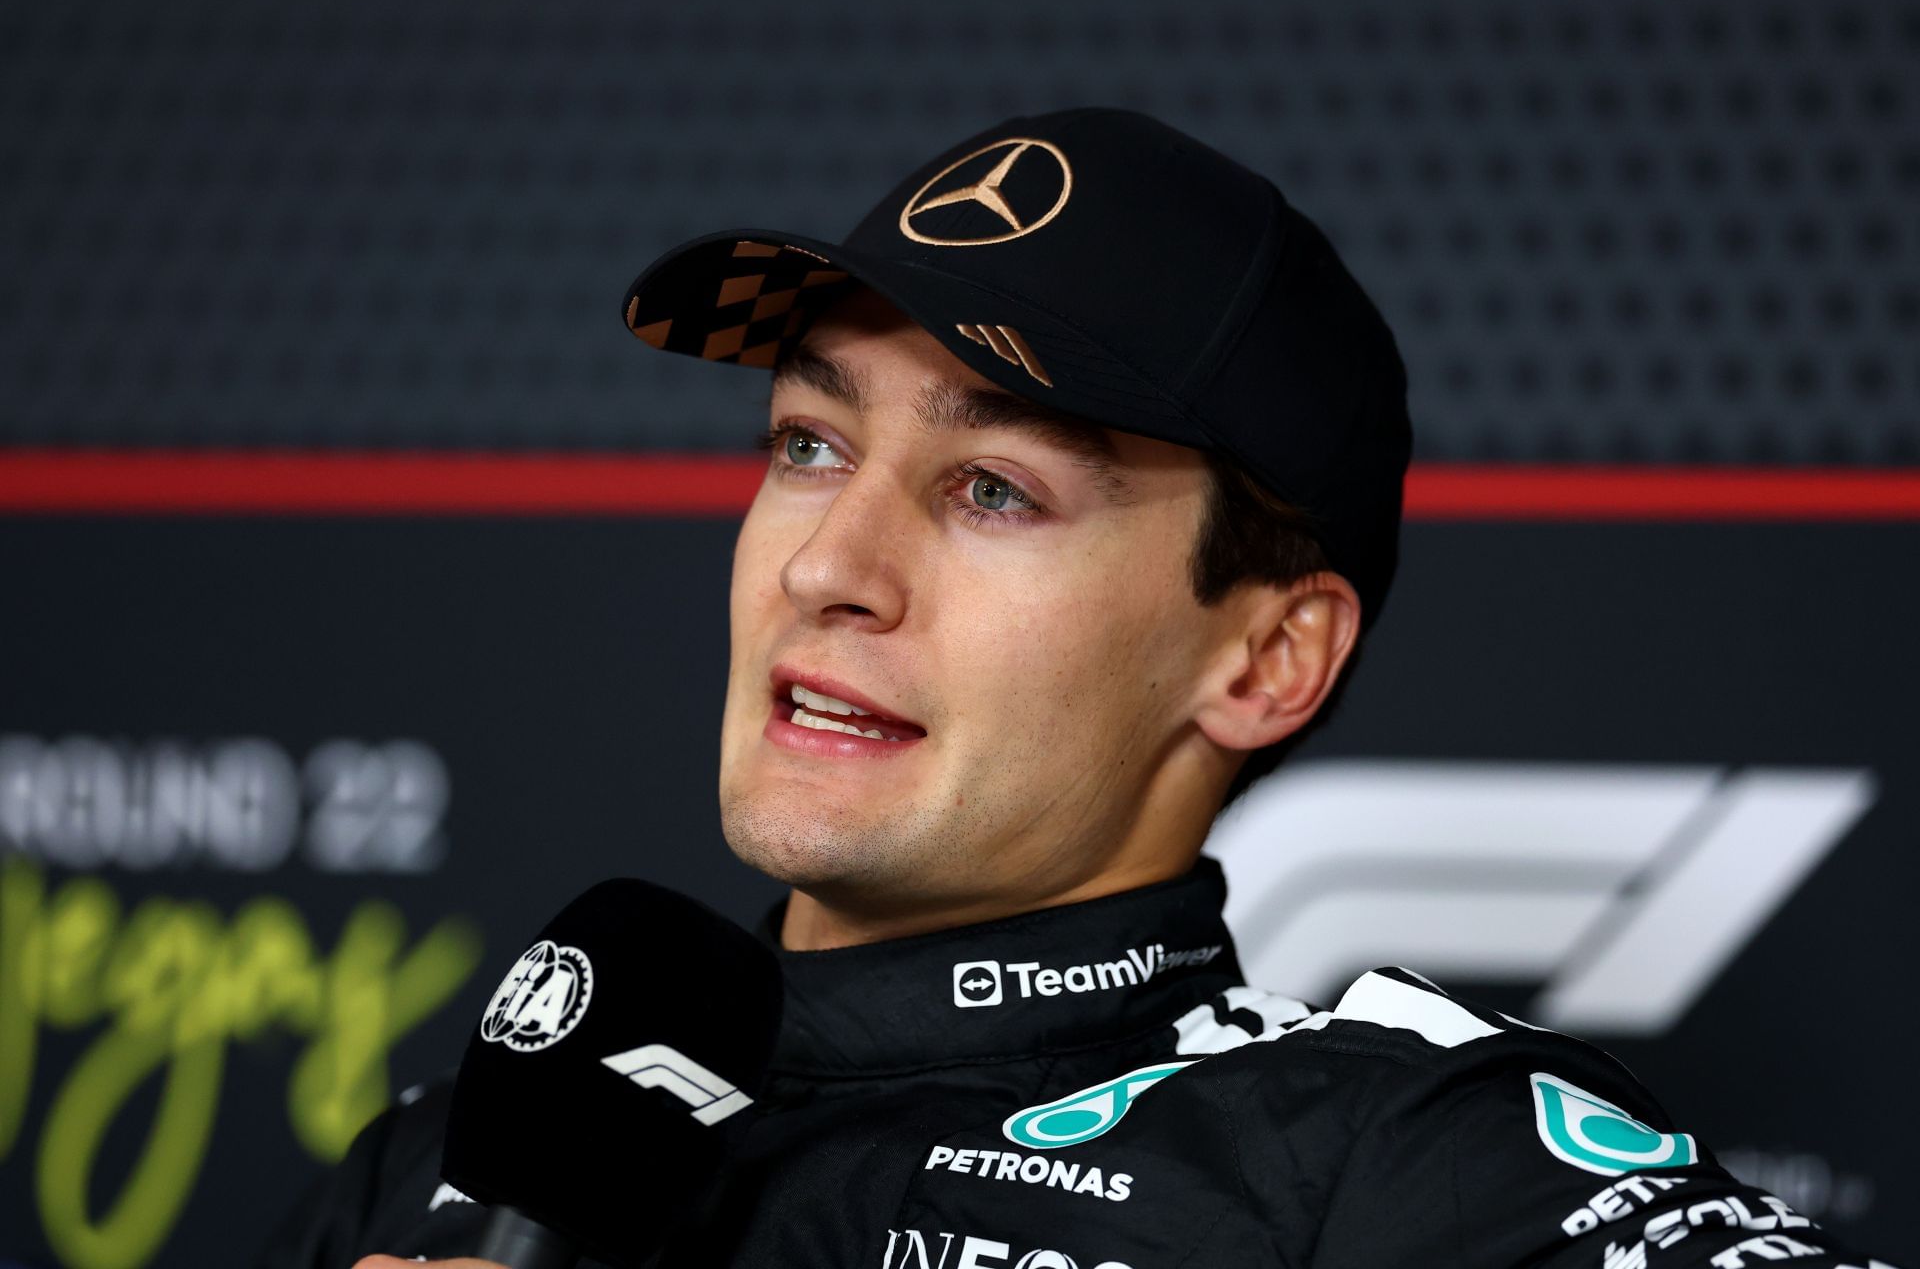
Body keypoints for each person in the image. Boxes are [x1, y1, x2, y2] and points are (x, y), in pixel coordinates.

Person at [261, 109, 1893, 1269]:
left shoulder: (1394, 1163)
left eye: (992, 492)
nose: (831, 565)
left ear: (1266, 659)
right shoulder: (455, 1154)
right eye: (810, 445)